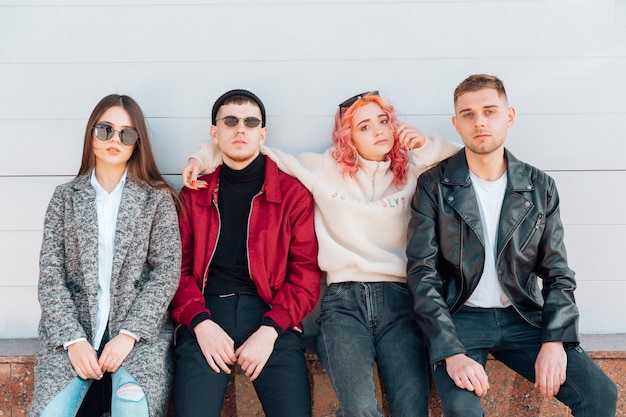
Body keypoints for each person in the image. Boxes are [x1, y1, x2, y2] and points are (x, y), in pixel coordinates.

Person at [182, 91, 460, 417]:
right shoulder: (322, 170)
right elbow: (249, 151)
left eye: (383, 122)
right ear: (348, 136)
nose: (378, 131)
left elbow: (471, 163)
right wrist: (199, 158)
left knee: (411, 409)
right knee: (359, 410)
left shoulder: (411, 178)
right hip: (331, 303)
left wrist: (426, 146)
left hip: (383, 303)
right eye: (364, 126)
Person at [406, 74, 618, 417]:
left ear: (509, 116)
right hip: (460, 320)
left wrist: (555, 339)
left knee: (599, 394)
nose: (480, 122)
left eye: (490, 111)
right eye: (468, 114)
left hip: (521, 316)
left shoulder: (538, 187)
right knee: (464, 412)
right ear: (456, 123)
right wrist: (449, 351)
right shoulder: (434, 186)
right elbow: (422, 274)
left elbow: (557, 271)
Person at [170, 89, 321, 417]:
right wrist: (198, 323)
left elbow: (306, 274)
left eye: (250, 122)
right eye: (231, 121)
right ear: (215, 132)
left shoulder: (292, 195)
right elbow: (175, 271)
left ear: (262, 134)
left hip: (270, 314)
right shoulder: (194, 195)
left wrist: (271, 330)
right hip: (206, 311)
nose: (241, 129)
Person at [30, 94, 182, 417]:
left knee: (132, 409)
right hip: (71, 336)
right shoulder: (65, 199)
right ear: (91, 134)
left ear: (136, 143)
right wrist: (73, 340)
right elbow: (50, 276)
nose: (115, 139)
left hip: (138, 340)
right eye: (106, 130)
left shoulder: (157, 200)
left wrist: (128, 335)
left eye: (126, 134)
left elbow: (166, 272)